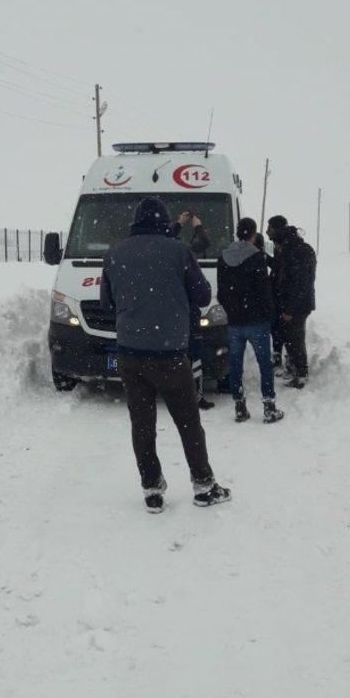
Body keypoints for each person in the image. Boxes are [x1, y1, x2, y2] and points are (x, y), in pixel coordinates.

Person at [101, 197, 230, 513]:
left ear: (135, 221)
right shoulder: (178, 251)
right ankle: (203, 485)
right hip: (170, 354)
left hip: (130, 355)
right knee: (188, 422)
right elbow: (202, 295)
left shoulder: (115, 253)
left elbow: (106, 303)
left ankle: (152, 490)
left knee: (142, 425)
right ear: (163, 221)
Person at [217, 217, 285, 424]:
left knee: (235, 364)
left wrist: (232, 310)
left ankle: (239, 406)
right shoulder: (257, 258)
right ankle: (269, 407)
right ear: (254, 234)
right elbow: (264, 291)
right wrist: (268, 314)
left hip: (235, 322)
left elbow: (222, 293)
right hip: (257, 321)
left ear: (238, 232)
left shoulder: (223, 257)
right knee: (265, 364)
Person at [170, 211, 213, 410]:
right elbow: (204, 242)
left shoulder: (164, 255)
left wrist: (179, 223)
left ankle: (173, 392)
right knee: (194, 356)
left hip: (168, 315)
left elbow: (165, 236)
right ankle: (195, 395)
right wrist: (197, 226)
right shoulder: (185, 255)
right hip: (187, 313)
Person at [267, 218, 316, 389]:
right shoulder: (287, 248)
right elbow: (279, 269)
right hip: (287, 303)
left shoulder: (298, 251)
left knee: (295, 338)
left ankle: (301, 374)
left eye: (270, 229)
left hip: (297, 305)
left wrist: (289, 309)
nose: (268, 233)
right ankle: (293, 367)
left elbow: (300, 284)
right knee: (288, 336)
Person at [266, 215, 288, 371]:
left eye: (270, 228)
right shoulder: (278, 244)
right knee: (276, 328)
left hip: (283, 296)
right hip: (277, 295)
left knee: (283, 330)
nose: (267, 231)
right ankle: (278, 356)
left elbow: (281, 269)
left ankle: (289, 361)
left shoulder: (286, 246)